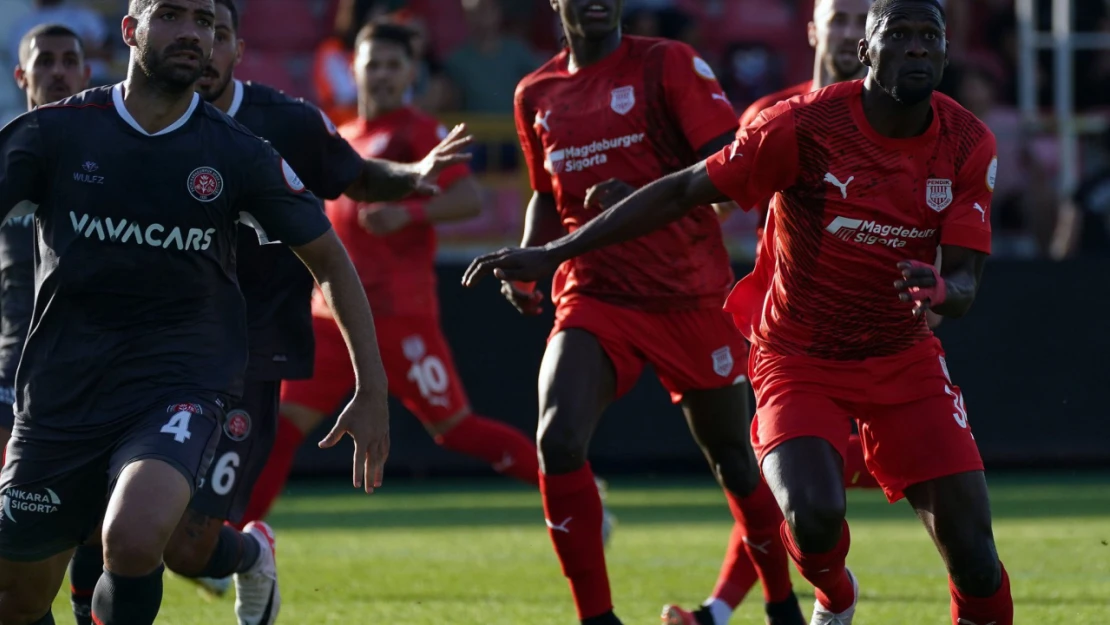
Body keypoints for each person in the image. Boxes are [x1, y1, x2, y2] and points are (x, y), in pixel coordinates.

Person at [464, 1, 1015, 624]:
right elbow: (687, 190)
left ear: (947, 52)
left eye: (930, 36)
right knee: (808, 514)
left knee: (974, 553)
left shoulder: (968, 141)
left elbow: (967, 280)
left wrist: (941, 291)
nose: (918, 47)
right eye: (900, 34)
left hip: (894, 352)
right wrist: (551, 253)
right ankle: (829, 596)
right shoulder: (795, 125)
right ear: (860, 47)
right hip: (795, 353)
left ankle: (740, 606)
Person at [59, 3, 475, 625]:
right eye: (190, 27)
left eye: (216, 32)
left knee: (188, 546)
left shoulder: (281, 124)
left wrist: (412, 177)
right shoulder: (125, 123)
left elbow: (355, 178)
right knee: (106, 517)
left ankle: (252, 552)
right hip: (147, 350)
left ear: (235, 49)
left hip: (248, 353)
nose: (202, 44)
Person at [488, 1, 806, 624]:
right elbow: (545, 196)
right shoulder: (536, 93)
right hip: (596, 293)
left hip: (689, 294)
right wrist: (533, 261)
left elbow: (726, 170)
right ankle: (597, 617)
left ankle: (779, 600)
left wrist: (639, 196)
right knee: (557, 436)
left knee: (735, 460)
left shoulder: (668, 66)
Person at [237, 20, 594, 539]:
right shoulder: (343, 136)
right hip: (330, 316)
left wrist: (409, 214)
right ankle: (237, 539)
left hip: (398, 315)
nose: (381, 74)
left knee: (455, 430)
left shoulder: (417, 131)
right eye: (373, 63)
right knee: (281, 428)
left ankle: (575, 495)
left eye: (393, 65)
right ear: (354, 68)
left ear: (411, 74)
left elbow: (468, 197)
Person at [661, 2, 879, 622]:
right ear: (812, 28)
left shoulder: (904, 121)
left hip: (877, 333)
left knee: (816, 484)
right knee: (787, 482)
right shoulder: (771, 117)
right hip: (788, 336)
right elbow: (715, 204)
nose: (846, 31)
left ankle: (764, 604)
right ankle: (735, 609)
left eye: (860, 19)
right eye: (837, 17)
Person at [0, 23, 91, 469]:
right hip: (15, 356)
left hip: (96, 356)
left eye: (70, 61)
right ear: (21, 76)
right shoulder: (5, 157)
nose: (59, 72)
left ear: (87, 74)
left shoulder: (113, 156)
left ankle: (245, 545)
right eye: (46, 61)